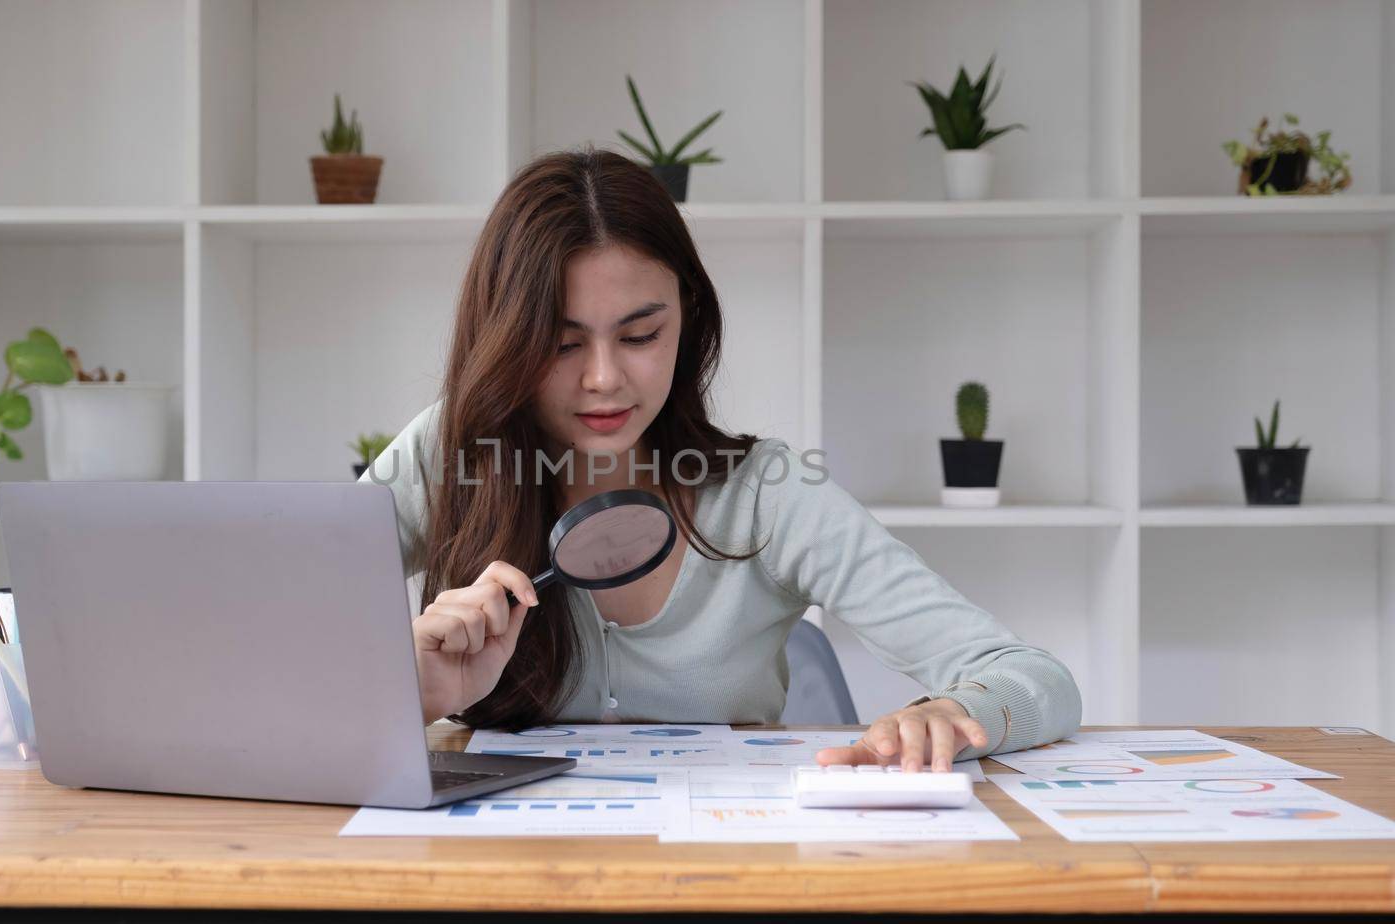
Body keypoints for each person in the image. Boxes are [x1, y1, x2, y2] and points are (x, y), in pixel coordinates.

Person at [358, 146, 1081, 773]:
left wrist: (951, 715)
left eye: (640, 335)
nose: (604, 377)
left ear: (688, 321)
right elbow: (263, 650)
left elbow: (1031, 676)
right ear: (506, 338)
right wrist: (408, 692)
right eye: (561, 342)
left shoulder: (764, 494)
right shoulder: (447, 453)